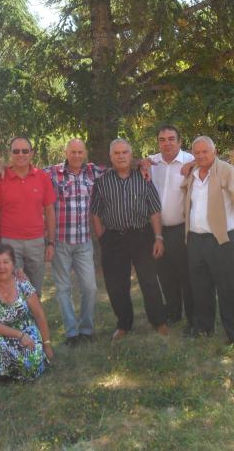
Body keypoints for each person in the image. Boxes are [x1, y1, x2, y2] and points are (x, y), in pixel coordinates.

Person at [91, 138, 169, 340]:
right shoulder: (102, 182)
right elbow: (96, 213)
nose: (121, 156)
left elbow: (154, 210)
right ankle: (124, 324)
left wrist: (158, 237)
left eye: (124, 152)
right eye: (116, 153)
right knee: (116, 285)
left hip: (142, 236)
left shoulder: (144, 178)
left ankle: (158, 321)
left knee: (149, 281)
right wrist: (102, 238)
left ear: (131, 155)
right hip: (113, 239)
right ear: (111, 157)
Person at [181, 136, 234, 349]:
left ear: (215, 152)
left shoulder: (228, 172)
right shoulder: (192, 174)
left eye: (205, 151)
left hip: (222, 239)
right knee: (200, 286)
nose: (201, 155)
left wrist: (230, 226)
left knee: (229, 288)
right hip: (195, 239)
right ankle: (203, 328)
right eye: (197, 152)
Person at [42, 139, 106, 345]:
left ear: (85, 153)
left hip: (84, 242)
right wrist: (4, 170)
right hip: (60, 241)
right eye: (73, 152)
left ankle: (86, 329)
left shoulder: (93, 172)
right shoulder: (52, 173)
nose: (77, 155)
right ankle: (71, 333)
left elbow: (120, 164)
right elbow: (26, 171)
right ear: (66, 152)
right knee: (63, 289)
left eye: (80, 152)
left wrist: (141, 163)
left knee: (90, 287)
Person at [0, 136, 56, 296]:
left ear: (31, 153)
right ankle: (13, 313)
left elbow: (50, 211)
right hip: (9, 242)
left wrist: (51, 242)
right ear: (10, 153)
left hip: (36, 242)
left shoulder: (42, 177)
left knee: (35, 289)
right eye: (16, 151)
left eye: (25, 151)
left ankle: (34, 313)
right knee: (11, 288)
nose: (21, 154)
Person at [0, 244, 53, 382]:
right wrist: (19, 335)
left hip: (27, 331)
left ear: (13, 265)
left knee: (32, 361)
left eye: (6, 262)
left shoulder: (23, 282)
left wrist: (46, 344)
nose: (2, 267)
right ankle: (3, 376)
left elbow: (39, 314)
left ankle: (14, 371)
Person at [147, 125, 195, 326]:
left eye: (171, 139)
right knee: (164, 273)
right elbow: (129, 162)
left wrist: (194, 163)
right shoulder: (152, 162)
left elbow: (211, 159)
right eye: (162, 139)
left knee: (186, 274)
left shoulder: (190, 160)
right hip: (157, 230)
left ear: (180, 141)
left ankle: (194, 317)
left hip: (180, 228)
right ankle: (174, 312)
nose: (166, 143)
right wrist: (140, 162)